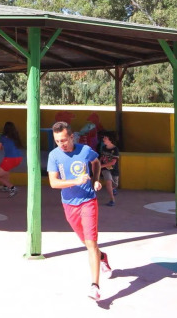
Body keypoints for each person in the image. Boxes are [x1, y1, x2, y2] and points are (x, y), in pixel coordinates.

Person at [47, 121, 112, 301]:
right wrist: (75, 181)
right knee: (88, 244)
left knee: (91, 243)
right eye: (57, 141)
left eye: (64, 140)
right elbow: (53, 183)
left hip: (88, 201)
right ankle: (102, 257)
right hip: (69, 204)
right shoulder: (54, 156)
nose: (61, 144)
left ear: (72, 136)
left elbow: (96, 163)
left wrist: (95, 180)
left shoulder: (85, 150)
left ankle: (95, 286)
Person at [0, 121, 23, 197]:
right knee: (6, 170)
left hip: (10, 159)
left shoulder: (2, 137)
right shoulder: (15, 136)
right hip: (19, 158)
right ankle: (5, 186)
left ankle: (12, 187)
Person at [98, 131, 120, 207]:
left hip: (113, 170)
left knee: (115, 184)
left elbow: (113, 162)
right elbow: (102, 157)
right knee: (108, 181)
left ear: (111, 139)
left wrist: (101, 166)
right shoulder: (103, 148)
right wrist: (99, 164)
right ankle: (112, 199)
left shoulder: (115, 149)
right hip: (105, 169)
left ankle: (113, 188)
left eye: (105, 138)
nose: (103, 139)